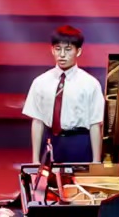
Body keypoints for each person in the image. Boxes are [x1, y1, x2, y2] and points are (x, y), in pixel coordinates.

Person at [23, 25, 104, 165]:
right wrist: (35, 160)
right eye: (58, 49)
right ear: (52, 50)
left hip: (79, 143)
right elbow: (37, 121)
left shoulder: (90, 84)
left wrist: (96, 161)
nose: (62, 55)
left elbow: (95, 124)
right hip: (51, 142)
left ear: (78, 51)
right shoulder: (40, 82)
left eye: (68, 49)